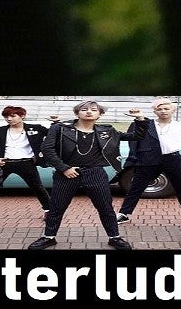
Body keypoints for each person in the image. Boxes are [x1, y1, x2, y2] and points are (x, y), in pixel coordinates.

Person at [28, 102, 131, 250]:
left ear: (99, 114)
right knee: (56, 207)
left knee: (105, 207)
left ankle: (114, 237)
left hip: (95, 172)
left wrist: (140, 119)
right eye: (84, 109)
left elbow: (136, 136)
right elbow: (47, 148)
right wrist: (63, 168)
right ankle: (48, 237)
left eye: (94, 110)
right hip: (66, 173)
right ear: (77, 113)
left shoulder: (106, 130)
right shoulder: (60, 128)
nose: (89, 112)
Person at [117, 100, 181, 229]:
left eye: (166, 109)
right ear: (155, 111)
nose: (163, 111)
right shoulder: (148, 123)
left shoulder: (180, 125)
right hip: (149, 159)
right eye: (160, 109)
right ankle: (124, 214)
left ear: (173, 110)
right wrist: (139, 118)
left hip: (173, 158)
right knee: (136, 187)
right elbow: (135, 137)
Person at [0, 106, 51, 222]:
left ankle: (49, 211)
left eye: (13, 116)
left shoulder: (36, 128)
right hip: (3, 163)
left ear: (22, 116)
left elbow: (53, 134)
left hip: (26, 162)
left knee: (37, 187)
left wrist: (55, 122)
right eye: (6, 116)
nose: (9, 119)